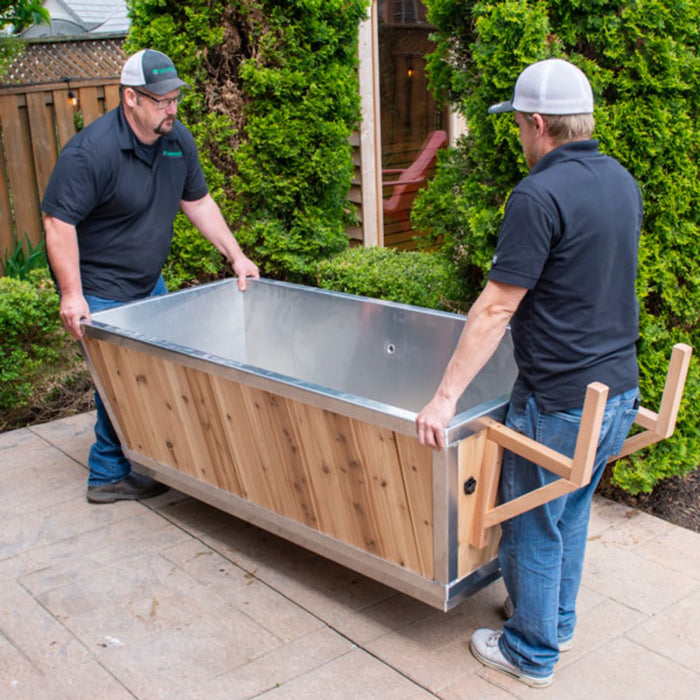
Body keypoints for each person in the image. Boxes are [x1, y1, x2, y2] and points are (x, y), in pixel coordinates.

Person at [415, 58, 642, 688]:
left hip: (562, 400)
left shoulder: (538, 194)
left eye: (518, 124)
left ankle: (531, 651)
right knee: (568, 512)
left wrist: (443, 398)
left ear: (539, 123)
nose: (518, 135)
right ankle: (556, 622)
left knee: (533, 523)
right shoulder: (621, 180)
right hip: (618, 389)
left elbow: (494, 308)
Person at [42, 49, 259, 505]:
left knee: (150, 378)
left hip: (146, 285)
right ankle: (105, 475)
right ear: (130, 99)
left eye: (175, 97)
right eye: (160, 100)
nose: (171, 108)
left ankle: (145, 458)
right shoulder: (91, 152)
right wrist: (72, 295)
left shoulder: (176, 139)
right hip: (100, 290)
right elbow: (58, 222)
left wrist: (236, 255)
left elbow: (197, 201)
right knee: (117, 384)